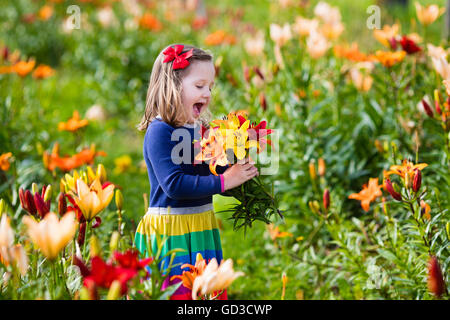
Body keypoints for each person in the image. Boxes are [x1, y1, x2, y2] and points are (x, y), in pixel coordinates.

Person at [134, 44, 259, 300]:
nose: (208, 94)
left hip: (201, 226)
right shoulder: (160, 131)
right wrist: (226, 181)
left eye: (210, 87)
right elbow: (175, 184)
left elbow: (212, 168)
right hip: (171, 231)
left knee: (205, 295)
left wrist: (237, 154)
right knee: (177, 294)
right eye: (200, 86)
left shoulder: (199, 131)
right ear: (172, 85)